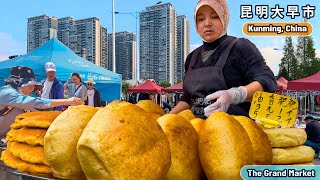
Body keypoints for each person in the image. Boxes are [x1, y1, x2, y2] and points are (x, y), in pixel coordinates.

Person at [169, 0, 277, 118]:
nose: (207, 23)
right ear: (196, 25)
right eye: (201, 19)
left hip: (235, 128)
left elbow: (268, 81)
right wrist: (166, 118)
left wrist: (234, 95)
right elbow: (188, 98)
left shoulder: (241, 47)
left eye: (215, 17)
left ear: (225, 18)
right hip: (198, 129)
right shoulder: (191, 58)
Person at [0, 66, 81, 138]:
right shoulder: (8, 93)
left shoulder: (20, 94)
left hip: (8, 137)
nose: (32, 88)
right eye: (29, 85)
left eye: (33, 85)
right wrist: (66, 101)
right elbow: (35, 103)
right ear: (18, 83)